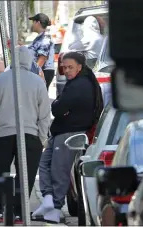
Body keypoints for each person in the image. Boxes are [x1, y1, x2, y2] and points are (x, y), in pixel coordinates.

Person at [32, 52, 103, 223]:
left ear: (80, 67)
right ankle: (48, 199)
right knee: (44, 163)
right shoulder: (77, 83)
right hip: (61, 132)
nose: (67, 70)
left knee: (59, 170)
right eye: (64, 67)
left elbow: (57, 108)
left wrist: (59, 105)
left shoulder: (80, 85)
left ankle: (55, 207)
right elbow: (60, 107)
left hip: (69, 133)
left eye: (70, 67)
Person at [0, 46, 51, 224]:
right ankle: (20, 213)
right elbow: (44, 113)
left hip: (3, 134)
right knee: (26, 176)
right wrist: (42, 138)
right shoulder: (37, 82)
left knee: (0, 174)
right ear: (29, 61)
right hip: (30, 134)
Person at [28, 13, 55, 90]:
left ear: (38, 23)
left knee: (39, 98)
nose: (32, 24)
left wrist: (34, 73)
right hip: (41, 71)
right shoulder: (40, 37)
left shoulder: (45, 38)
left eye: (33, 22)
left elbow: (42, 58)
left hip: (43, 71)